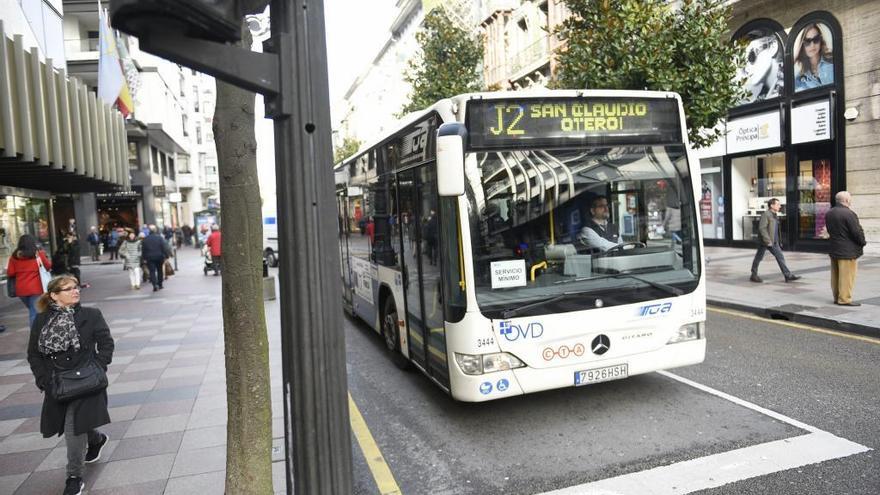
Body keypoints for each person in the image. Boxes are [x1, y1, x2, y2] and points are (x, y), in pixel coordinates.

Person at [27, 275, 113, 495]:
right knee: (78, 423)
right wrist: (43, 380)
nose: (75, 291)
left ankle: (74, 477)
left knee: (72, 426)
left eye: (76, 287)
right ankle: (96, 439)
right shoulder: (42, 320)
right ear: (54, 295)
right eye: (68, 289)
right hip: (57, 382)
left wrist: (98, 367)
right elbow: (34, 354)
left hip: (86, 380)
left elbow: (106, 344)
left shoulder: (91, 315)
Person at [825, 191, 866, 306]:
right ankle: (844, 299)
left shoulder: (829, 213)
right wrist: (863, 242)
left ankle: (837, 297)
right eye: (850, 199)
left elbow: (829, 230)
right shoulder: (849, 214)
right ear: (847, 200)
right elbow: (856, 232)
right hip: (848, 250)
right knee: (847, 277)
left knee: (836, 275)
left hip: (834, 247)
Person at [750, 198, 800, 283]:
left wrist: (778, 240)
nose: (780, 206)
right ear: (772, 205)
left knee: (780, 257)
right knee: (759, 257)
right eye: (778, 204)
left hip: (774, 241)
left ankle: (787, 275)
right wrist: (767, 240)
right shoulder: (766, 215)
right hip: (766, 241)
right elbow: (762, 228)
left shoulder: (774, 215)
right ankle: (754, 275)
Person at [5, 235, 52, 327]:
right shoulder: (38, 254)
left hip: (21, 290)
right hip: (36, 288)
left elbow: (10, 273)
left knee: (33, 309)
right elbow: (48, 266)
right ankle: (35, 334)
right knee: (34, 312)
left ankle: (40, 330)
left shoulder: (14, 257)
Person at [794, 23, 834, 91]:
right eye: (807, 41)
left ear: (820, 40)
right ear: (802, 45)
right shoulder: (799, 78)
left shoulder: (832, 60)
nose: (812, 45)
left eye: (816, 39)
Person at [142, 225, 172, 291]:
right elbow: (164, 247)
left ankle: (154, 285)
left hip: (149, 258)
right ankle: (160, 284)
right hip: (159, 257)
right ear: (155, 231)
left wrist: (144, 258)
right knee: (159, 270)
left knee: (152, 271)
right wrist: (166, 256)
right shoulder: (159, 238)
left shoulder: (145, 239)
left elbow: (143, 250)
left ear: (149, 231)